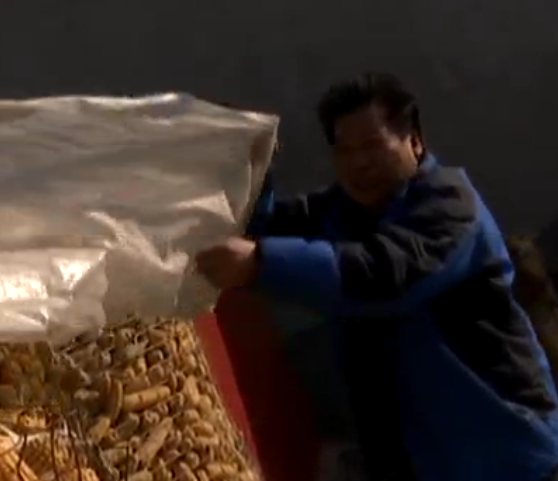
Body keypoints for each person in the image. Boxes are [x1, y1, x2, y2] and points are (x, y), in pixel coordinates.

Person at [195, 71, 558, 481]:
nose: (359, 163)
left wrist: (262, 262)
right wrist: (252, 166)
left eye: (373, 145)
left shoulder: (450, 207)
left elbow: (383, 277)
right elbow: (268, 227)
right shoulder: (343, 211)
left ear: (415, 142)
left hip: (503, 456)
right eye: (345, 151)